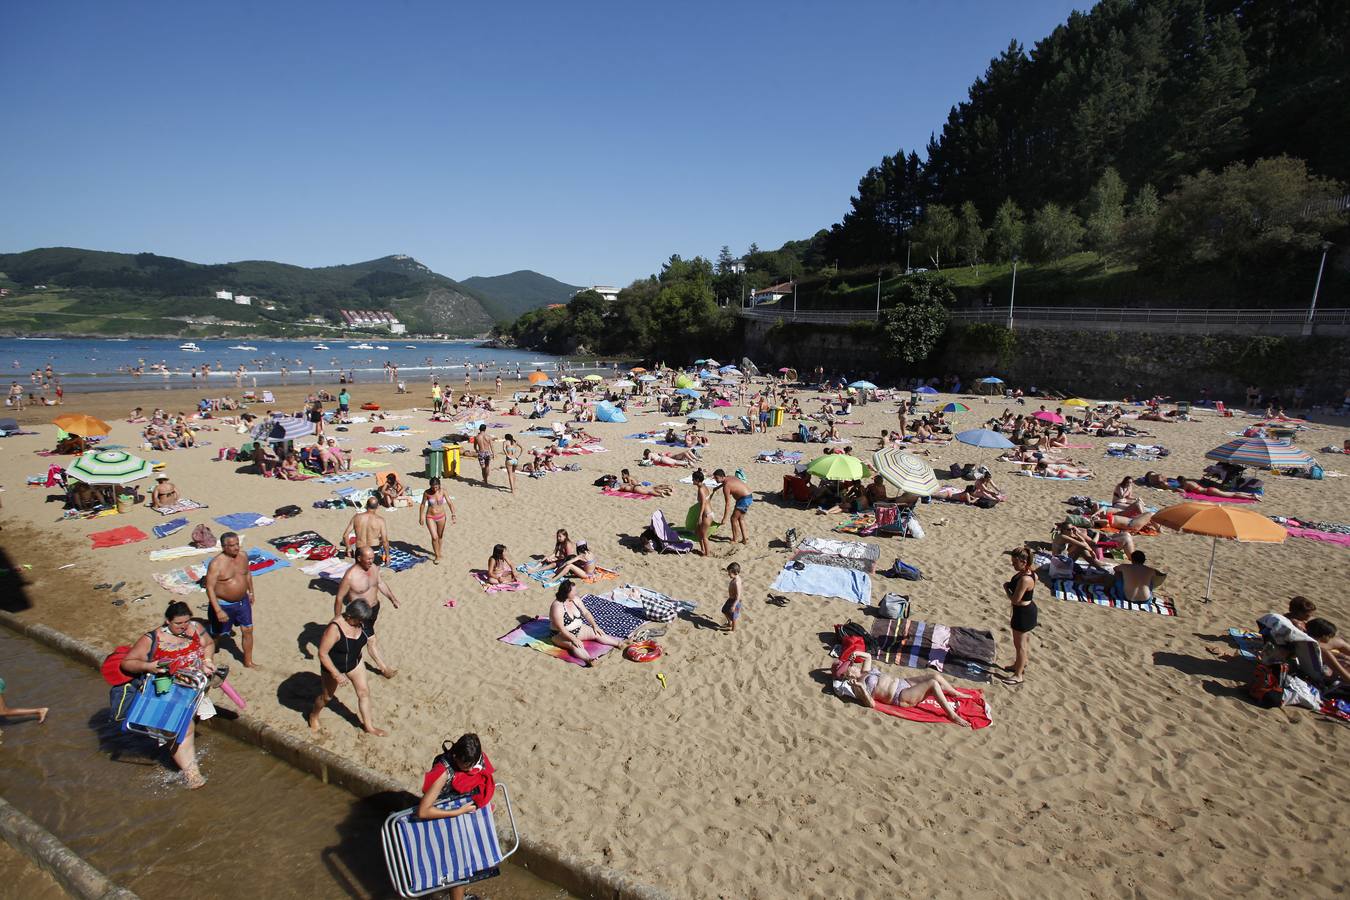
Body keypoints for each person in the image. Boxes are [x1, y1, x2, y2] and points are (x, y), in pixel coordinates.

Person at [119, 601, 216, 787]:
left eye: (186, 622)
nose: (184, 627)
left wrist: (208, 659)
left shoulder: (196, 628)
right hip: (167, 690)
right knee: (180, 729)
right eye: (179, 624)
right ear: (167, 621)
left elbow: (209, 644)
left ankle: (180, 757)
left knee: (188, 725)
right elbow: (127, 662)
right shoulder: (152, 638)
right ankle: (192, 775)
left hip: (194, 688)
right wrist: (149, 666)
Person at [830, 650, 974, 727]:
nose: (852, 666)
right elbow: (870, 704)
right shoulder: (857, 686)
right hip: (900, 696)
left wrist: (856, 653)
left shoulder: (864, 671)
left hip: (904, 682)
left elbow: (867, 656)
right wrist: (861, 687)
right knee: (933, 684)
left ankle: (955, 693)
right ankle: (952, 715)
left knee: (935, 676)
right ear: (847, 676)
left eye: (850, 664)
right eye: (849, 668)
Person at [309, 599, 385, 736]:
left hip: (355, 662)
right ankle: (314, 715)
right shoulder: (335, 628)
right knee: (327, 697)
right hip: (334, 665)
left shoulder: (362, 621)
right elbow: (322, 653)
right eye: (359, 620)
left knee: (364, 692)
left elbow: (369, 640)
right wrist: (336, 674)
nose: (362, 623)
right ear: (350, 617)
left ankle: (369, 727)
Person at [335, 546, 399, 678]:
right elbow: (339, 598)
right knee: (371, 640)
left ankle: (349, 648)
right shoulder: (350, 576)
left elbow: (380, 583)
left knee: (364, 637)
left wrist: (392, 598)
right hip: (360, 613)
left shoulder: (374, 568)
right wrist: (337, 618)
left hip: (374, 609)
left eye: (372, 558)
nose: (371, 560)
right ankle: (385, 669)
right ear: (359, 558)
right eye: (368, 558)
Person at [204, 532, 256, 668]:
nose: (236, 548)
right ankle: (212, 651)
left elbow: (247, 573)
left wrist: (251, 592)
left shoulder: (243, 556)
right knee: (216, 634)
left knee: (248, 630)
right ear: (223, 546)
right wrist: (218, 610)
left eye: (237, 544)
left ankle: (248, 661)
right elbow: (209, 587)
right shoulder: (216, 564)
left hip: (242, 602)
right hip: (224, 605)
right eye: (232, 545)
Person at [549, 580, 622, 666]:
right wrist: (574, 639)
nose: (576, 592)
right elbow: (561, 627)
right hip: (560, 634)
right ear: (566, 593)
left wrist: (595, 625)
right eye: (574, 591)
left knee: (597, 633)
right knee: (575, 645)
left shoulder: (575, 599)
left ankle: (619, 644)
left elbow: (586, 613)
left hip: (579, 629)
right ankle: (589, 659)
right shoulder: (557, 606)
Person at [1001, 547, 1037, 685]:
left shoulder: (1025, 579)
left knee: (1020, 645)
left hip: (1023, 613)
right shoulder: (1031, 573)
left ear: (1023, 561)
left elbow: (1015, 599)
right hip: (1026, 610)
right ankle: (1019, 664)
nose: (1013, 565)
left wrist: (1006, 588)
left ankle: (1018, 675)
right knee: (1022, 643)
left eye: (1015, 562)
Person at [418, 477, 456, 564]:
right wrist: (421, 516)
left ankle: (439, 551)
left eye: (436, 487)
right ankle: (437, 555)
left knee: (440, 536)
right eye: (432, 487)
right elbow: (423, 504)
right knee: (434, 537)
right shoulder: (427, 492)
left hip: (441, 516)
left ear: (439, 485)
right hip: (430, 516)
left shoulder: (443, 491)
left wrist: (453, 514)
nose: (434, 489)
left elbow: (450, 503)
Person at [342, 496, 391, 562]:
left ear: (366, 505)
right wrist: (387, 556)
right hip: (373, 550)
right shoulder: (380, 520)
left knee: (360, 570)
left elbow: (345, 535)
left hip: (360, 550)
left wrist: (348, 548)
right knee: (374, 570)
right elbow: (385, 540)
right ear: (377, 507)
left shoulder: (356, 517)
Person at [713, 469, 752, 545]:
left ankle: (735, 539)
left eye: (717, 478)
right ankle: (745, 538)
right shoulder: (729, 477)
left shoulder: (726, 487)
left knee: (733, 519)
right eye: (715, 478)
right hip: (749, 496)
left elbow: (727, 504)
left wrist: (724, 518)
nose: (715, 480)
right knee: (740, 519)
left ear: (722, 477)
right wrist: (718, 487)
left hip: (743, 500)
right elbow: (726, 483)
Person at [693, 469, 713, 556]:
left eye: (693, 479)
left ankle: (707, 554)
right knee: (697, 532)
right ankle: (702, 549)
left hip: (706, 515)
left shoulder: (701, 489)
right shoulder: (704, 486)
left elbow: (704, 503)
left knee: (704, 535)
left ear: (697, 480)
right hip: (709, 513)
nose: (692, 481)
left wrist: (700, 516)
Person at [722, 562, 742, 632]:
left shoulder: (737, 582)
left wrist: (734, 605)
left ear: (735, 573)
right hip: (731, 599)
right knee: (724, 610)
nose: (728, 574)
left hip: (735, 602)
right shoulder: (734, 579)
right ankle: (729, 623)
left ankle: (733, 630)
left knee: (734, 617)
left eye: (729, 573)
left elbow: (738, 596)